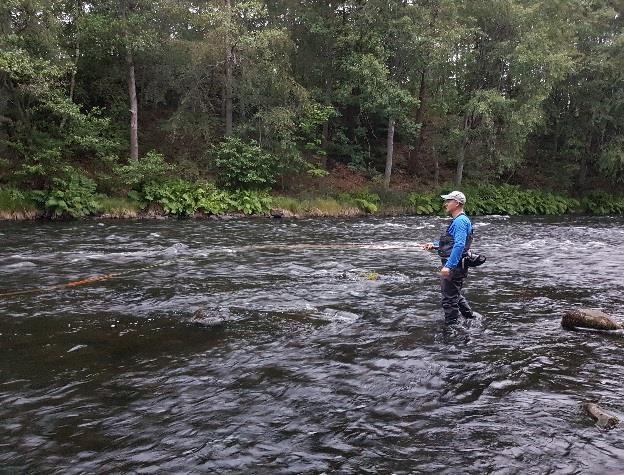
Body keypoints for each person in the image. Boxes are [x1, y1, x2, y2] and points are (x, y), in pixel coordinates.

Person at [423, 191, 476, 324]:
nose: (445, 203)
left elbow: (459, 245)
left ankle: (452, 329)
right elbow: (451, 242)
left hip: (454, 266)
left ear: (457, 203)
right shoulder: (458, 220)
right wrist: (434, 245)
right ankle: (470, 317)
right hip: (455, 265)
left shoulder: (460, 222)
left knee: (449, 300)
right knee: (454, 294)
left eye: (448, 201)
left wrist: (448, 266)